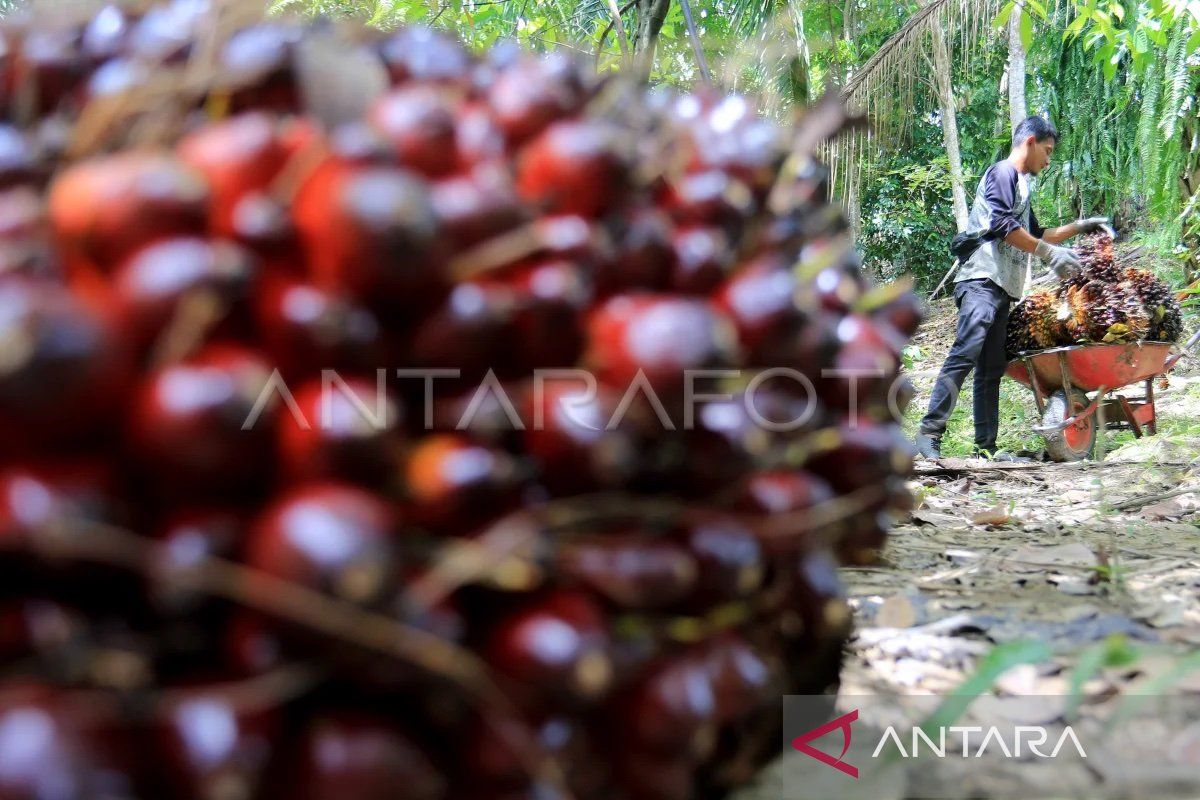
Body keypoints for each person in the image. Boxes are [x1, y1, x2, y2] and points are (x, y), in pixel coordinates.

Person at [914, 116, 1108, 460]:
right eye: (1047, 152)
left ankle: (984, 448)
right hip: (980, 279)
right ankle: (929, 434)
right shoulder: (1002, 173)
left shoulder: (1021, 186)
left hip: (1003, 286)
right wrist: (1048, 254)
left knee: (991, 368)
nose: (1048, 161)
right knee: (966, 350)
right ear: (1030, 141)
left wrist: (1080, 226)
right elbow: (1003, 226)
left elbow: (1037, 233)